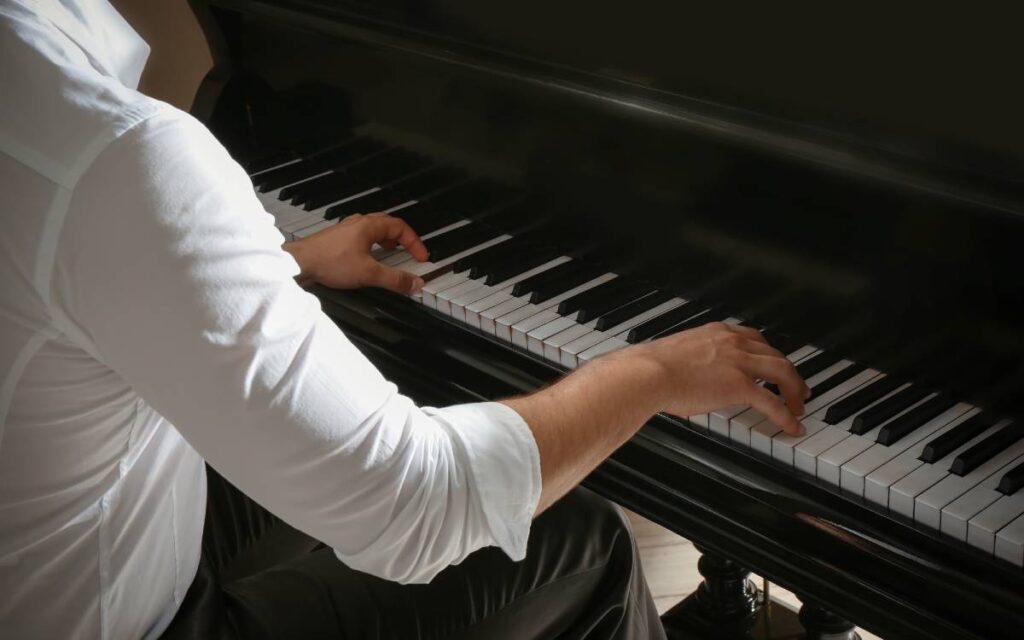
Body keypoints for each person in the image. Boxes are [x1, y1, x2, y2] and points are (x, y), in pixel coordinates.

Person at [0, 1, 809, 638]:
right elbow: (417, 508)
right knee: (587, 547)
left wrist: (278, 259)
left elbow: (63, 275)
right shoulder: (109, 153)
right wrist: (653, 372)